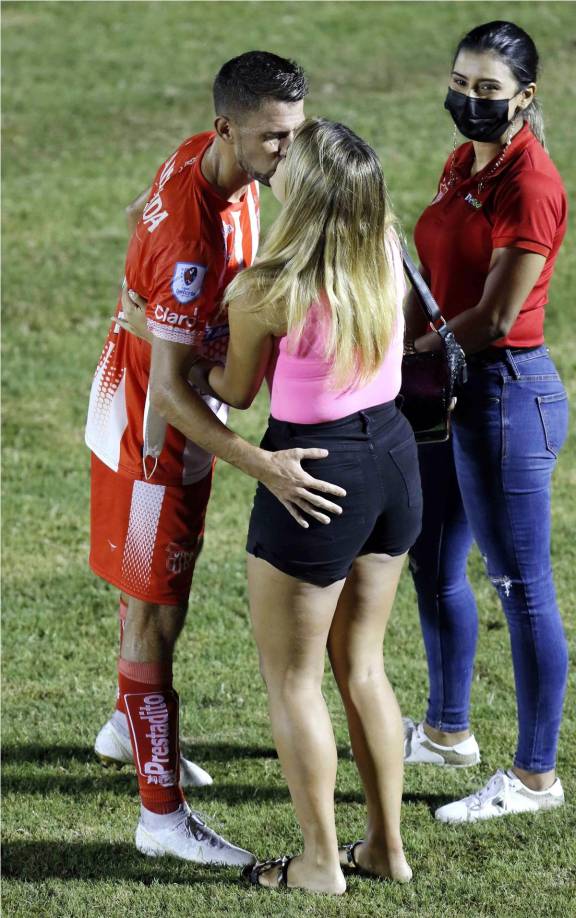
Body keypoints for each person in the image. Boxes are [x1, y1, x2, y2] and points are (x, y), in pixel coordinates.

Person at [85, 51, 347, 867]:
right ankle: (160, 816)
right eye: (276, 139)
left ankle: (129, 729)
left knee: (155, 598)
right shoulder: (194, 236)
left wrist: (150, 310)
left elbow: (143, 213)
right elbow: (169, 393)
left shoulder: (210, 160)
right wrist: (264, 465)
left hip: (150, 417)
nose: (290, 153)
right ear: (229, 127)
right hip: (153, 446)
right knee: (155, 613)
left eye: (297, 133)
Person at [190, 117, 422, 894]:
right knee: (362, 665)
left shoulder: (268, 290)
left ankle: (321, 863)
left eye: (291, 157)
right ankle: (386, 848)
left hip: (315, 472)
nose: (276, 159)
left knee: (292, 678)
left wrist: (189, 348)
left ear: (309, 191)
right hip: (393, 459)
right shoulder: (382, 242)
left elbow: (235, 393)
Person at [402, 21, 569, 823]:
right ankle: (445, 732)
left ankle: (537, 777)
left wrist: (405, 359)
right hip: (451, 391)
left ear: (525, 98)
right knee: (431, 561)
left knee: (522, 587)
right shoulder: (464, 163)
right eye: (462, 83)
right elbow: (437, 269)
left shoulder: (530, 184)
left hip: (505, 395)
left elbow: (498, 314)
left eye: (488, 90)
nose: (468, 100)